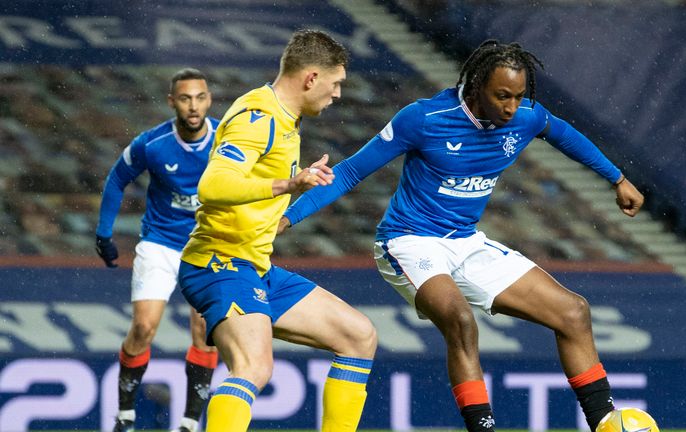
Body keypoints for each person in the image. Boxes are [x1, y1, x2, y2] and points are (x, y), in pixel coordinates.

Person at [281, 40, 645, 432]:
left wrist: (617, 178)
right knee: (460, 320)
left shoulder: (525, 117)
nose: (511, 106)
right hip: (408, 241)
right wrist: (287, 219)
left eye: (519, 96)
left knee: (574, 312)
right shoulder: (423, 118)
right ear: (475, 88)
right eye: (502, 95)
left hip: (466, 242)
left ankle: (605, 422)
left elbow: (563, 133)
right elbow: (351, 172)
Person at [177, 29, 377, 432]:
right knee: (254, 367)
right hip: (219, 265)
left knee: (359, 335)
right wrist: (287, 185)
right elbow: (212, 186)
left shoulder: (285, 118)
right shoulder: (259, 117)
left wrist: (281, 214)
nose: (338, 94)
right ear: (311, 79)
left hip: (254, 266)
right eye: (335, 84)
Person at [95, 68, 220, 432]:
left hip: (207, 244)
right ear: (172, 102)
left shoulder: (229, 140)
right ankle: (125, 416)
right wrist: (104, 233)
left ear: (209, 99)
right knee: (144, 328)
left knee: (204, 331)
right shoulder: (152, 144)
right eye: (185, 98)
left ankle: (189, 423)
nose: (193, 106)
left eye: (200, 97)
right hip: (160, 243)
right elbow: (117, 178)